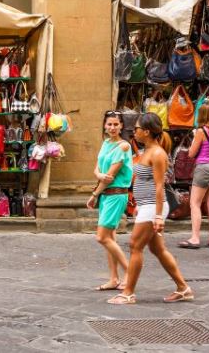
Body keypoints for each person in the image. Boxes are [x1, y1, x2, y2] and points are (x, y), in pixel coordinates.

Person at [108, 113, 192, 305]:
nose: (134, 132)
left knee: (135, 246)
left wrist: (158, 216)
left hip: (153, 207)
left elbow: (159, 186)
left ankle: (128, 293)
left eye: (136, 129)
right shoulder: (147, 151)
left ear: (146, 131)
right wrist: (139, 205)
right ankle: (183, 288)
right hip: (147, 206)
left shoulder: (157, 154)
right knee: (158, 250)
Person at [87, 111, 133, 292]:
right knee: (110, 237)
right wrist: (98, 175)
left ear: (121, 126)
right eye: (109, 124)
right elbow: (98, 169)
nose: (112, 128)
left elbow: (110, 177)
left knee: (102, 237)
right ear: (105, 126)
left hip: (115, 194)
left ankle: (129, 271)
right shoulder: (106, 143)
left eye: (116, 124)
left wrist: (94, 194)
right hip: (106, 195)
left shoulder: (124, 147)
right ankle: (114, 278)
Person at [178, 100, 209, 249]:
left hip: (204, 168)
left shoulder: (201, 131)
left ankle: (195, 238)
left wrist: (194, 139)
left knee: (195, 203)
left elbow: (192, 153)